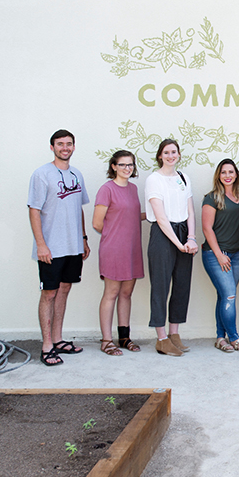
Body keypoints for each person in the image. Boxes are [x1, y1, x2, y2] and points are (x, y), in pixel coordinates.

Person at [27, 129, 90, 367]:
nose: (65, 147)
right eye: (60, 144)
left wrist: (83, 238)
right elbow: (34, 210)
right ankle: (46, 346)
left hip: (73, 246)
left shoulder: (76, 174)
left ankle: (58, 339)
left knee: (64, 290)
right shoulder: (42, 174)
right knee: (49, 293)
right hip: (50, 248)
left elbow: (79, 208)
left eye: (69, 144)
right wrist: (41, 244)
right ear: (52, 147)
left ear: (74, 147)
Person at [145, 139, 197, 357]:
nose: (170, 156)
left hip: (184, 234)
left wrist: (191, 238)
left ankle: (174, 334)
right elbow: (160, 216)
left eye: (174, 152)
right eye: (166, 152)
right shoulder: (153, 180)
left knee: (181, 285)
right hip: (163, 235)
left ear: (179, 154)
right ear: (160, 156)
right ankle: (162, 338)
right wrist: (178, 244)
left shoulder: (183, 177)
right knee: (160, 286)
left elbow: (190, 210)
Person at [92, 150, 145, 356]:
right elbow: (97, 223)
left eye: (130, 165)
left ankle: (124, 337)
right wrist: (116, 236)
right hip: (113, 249)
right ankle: (107, 340)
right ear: (114, 166)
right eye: (122, 165)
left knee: (126, 293)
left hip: (132, 249)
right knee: (111, 293)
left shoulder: (133, 189)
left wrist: (156, 213)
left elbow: (130, 215)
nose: (127, 168)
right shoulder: (107, 189)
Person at [201, 158, 239, 352]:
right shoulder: (212, 198)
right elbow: (207, 229)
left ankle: (220, 338)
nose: (228, 175)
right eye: (223, 172)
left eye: (231, 172)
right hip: (216, 254)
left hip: (238, 254)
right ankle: (235, 338)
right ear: (218, 175)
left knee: (224, 295)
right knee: (230, 295)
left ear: (236, 174)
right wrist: (219, 255)